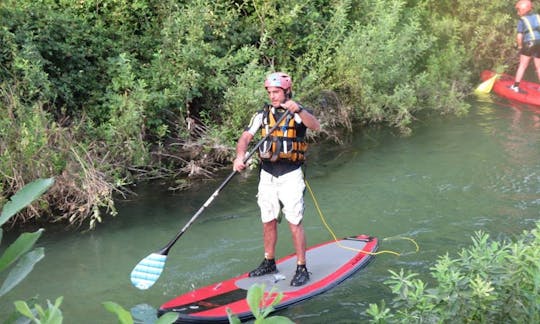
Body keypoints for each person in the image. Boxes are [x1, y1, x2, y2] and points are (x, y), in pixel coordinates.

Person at [233, 72, 320, 286]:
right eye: (270, 92)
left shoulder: (297, 113)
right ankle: (269, 261)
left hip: (291, 174)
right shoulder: (261, 115)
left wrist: (298, 108)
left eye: (276, 92)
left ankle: (301, 267)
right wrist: (239, 156)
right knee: (268, 220)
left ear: (286, 91)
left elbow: (315, 125)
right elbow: (245, 137)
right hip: (267, 175)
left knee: (294, 222)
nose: (272, 96)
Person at [511, 0, 540, 92]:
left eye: (519, 10)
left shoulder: (522, 20)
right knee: (539, 67)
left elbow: (519, 36)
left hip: (528, 43)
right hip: (539, 43)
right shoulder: (538, 16)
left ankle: (515, 87)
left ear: (523, 9)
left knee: (523, 65)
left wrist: (520, 47)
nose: (518, 12)